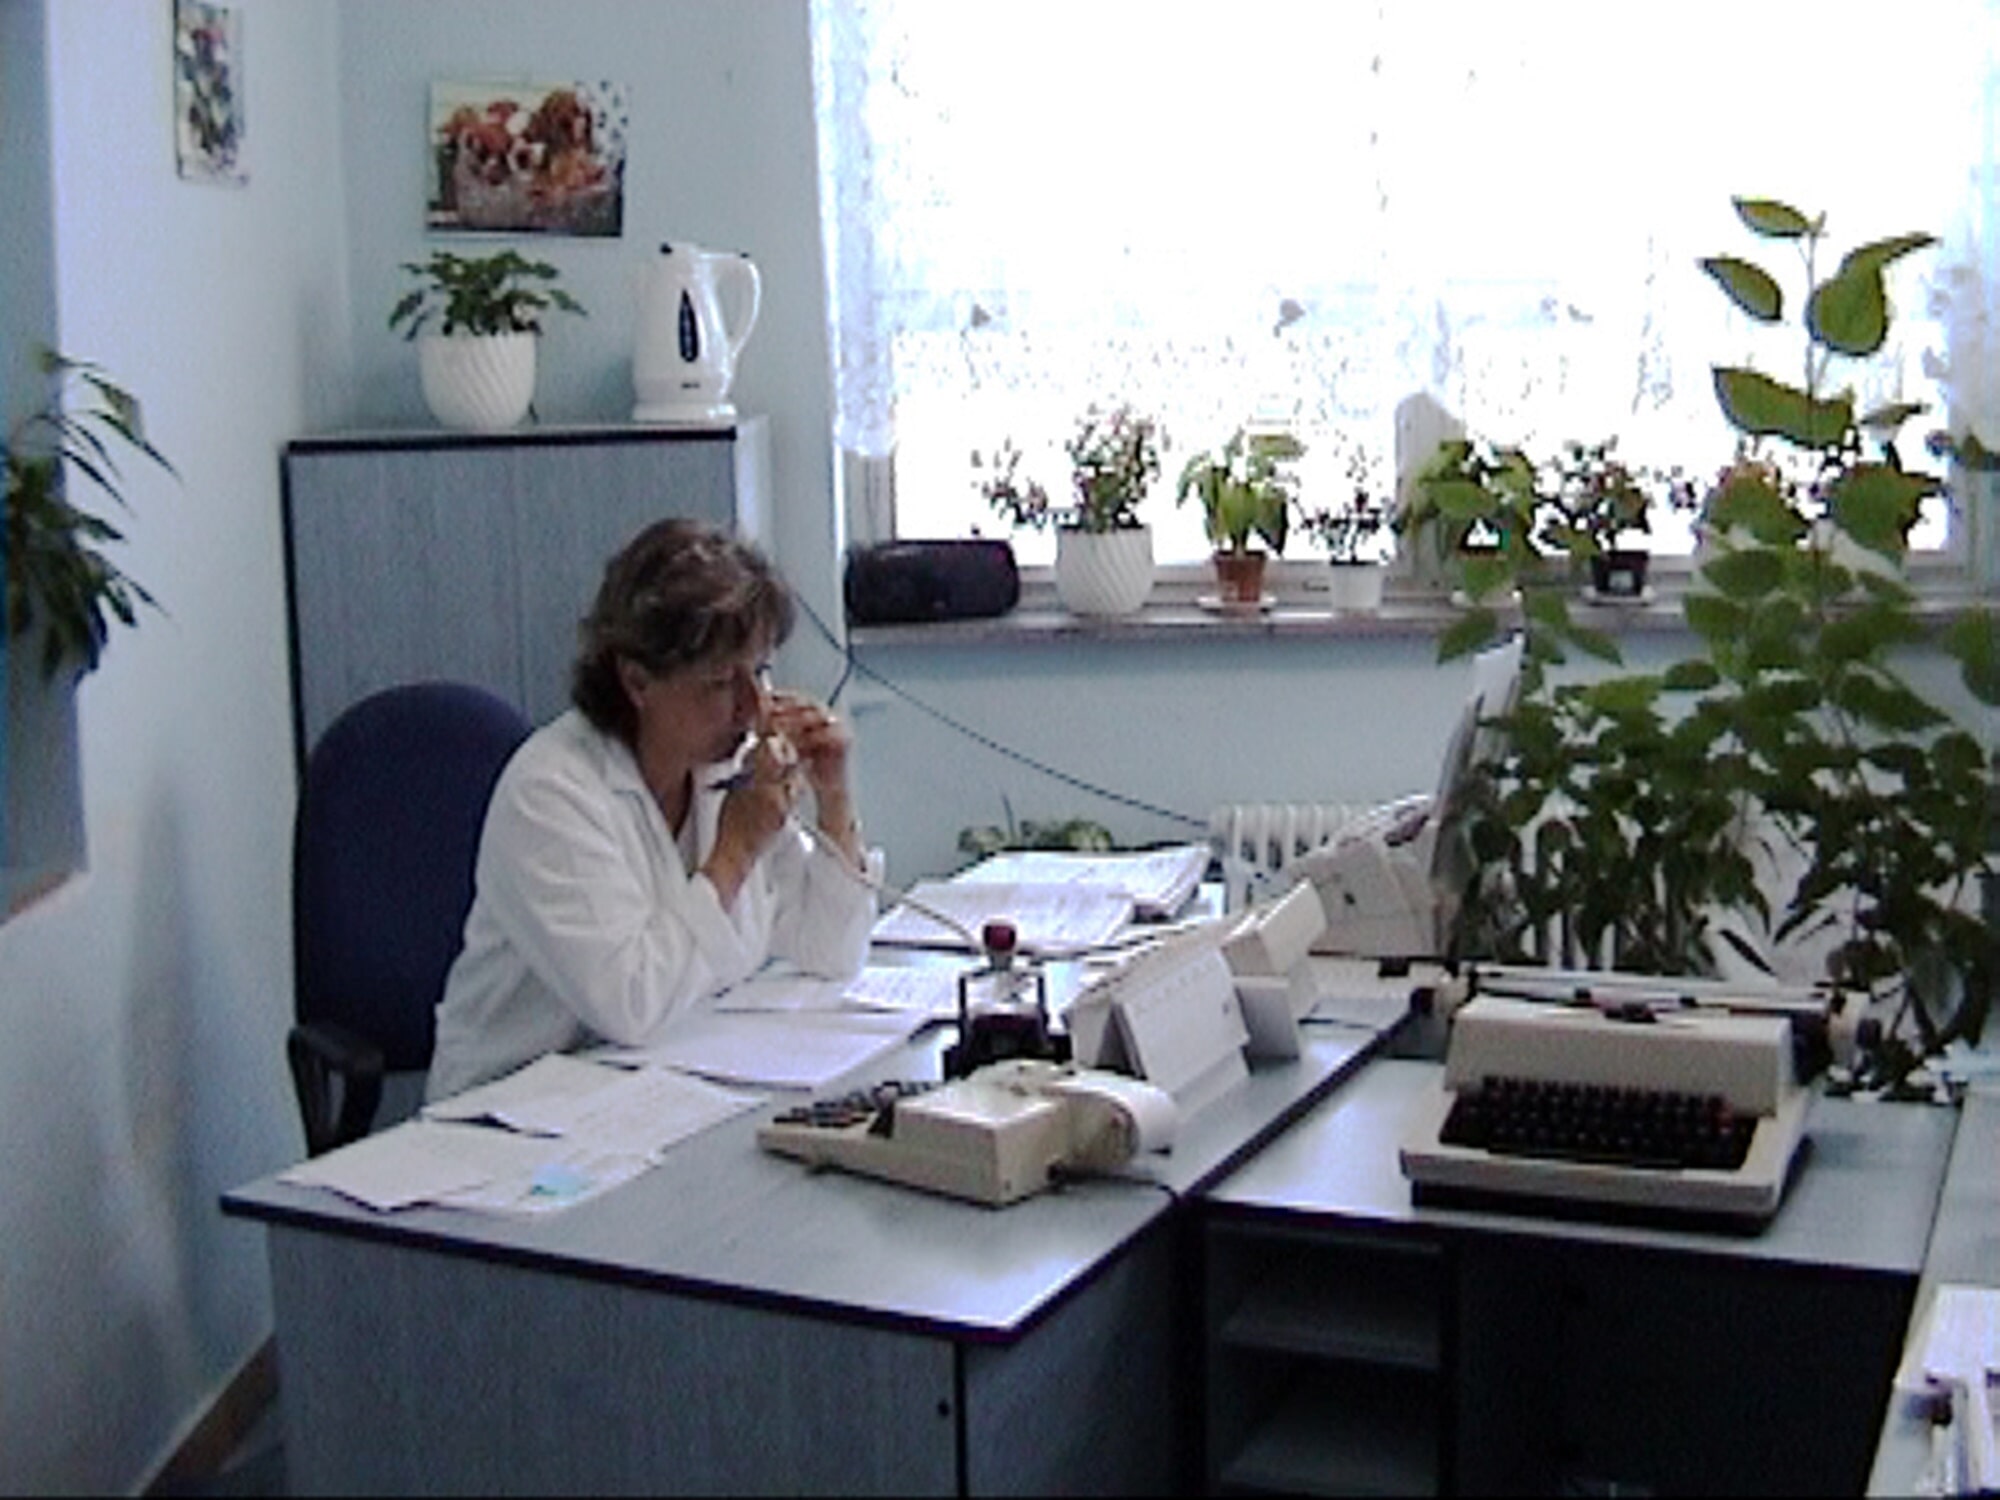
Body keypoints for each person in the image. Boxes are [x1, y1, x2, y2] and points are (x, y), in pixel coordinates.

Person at [426, 518, 876, 1102]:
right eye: (721, 682)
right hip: (512, 1111)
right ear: (637, 681)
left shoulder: (720, 768)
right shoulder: (551, 792)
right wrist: (733, 854)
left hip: (660, 1088)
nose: (754, 707)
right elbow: (631, 1004)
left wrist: (834, 800)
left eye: (761, 672)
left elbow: (830, 950)